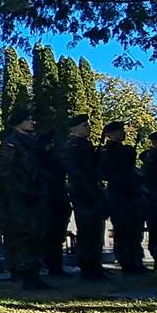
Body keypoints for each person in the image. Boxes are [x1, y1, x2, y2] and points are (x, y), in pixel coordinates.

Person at [0, 109, 53, 289]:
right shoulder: (11, 145)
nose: (32, 123)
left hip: (36, 196)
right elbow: (1, 174)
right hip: (20, 199)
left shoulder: (32, 144)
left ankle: (36, 274)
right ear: (18, 123)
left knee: (38, 235)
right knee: (24, 236)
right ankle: (28, 276)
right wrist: (13, 194)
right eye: (28, 119)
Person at [62, 115, 109, 280]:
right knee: (87, 228)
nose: (88, 127)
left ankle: (96, 265)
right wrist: (87, 185)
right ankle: (87, 266)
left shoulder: (86, 145)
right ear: (73, 129)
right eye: (84, 125)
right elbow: (75, 170)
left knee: (97, 229)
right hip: (82, 191)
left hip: (93, 191)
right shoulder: (72, 146)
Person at [100, 121, 149, 274]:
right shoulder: (107, 152)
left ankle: (136, 260)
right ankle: (126, 261)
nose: (123, 133)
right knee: (123, 229)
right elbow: (106, 172)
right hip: (119, 194)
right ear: (110, 134)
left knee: (135, 229)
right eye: (118, 131)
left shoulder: (125, 150)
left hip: (131, 193)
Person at [36, 122, 73, 278]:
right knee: (49, 235)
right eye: (49, 143)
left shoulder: (55, 158)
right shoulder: (39, 159)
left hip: (58, 199)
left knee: (57, 236)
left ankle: (56, 266)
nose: (50, 146)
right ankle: (51, 265)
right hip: (46, 200)